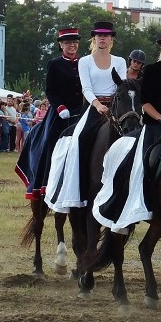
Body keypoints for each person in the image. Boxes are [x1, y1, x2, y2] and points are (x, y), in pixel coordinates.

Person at [92, 28, 161, 233]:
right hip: (156, 124)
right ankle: (127, 206)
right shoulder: (153, 71)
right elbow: (145, 103)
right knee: (139, 164)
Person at [45, 21, 126, 212]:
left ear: (111, 39)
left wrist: (113, 105)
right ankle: (79, 187)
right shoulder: (85, 61)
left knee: (132, 137)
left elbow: (122, 86)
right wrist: (97, 105)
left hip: (115, 106)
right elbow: (86, 88)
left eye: (106, 36)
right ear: (94, 39)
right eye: (99, 36)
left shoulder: (120, 61)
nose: (102, 38)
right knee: (79, 139)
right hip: (93, 107)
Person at [15, 27, 84, 200]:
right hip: (60, 112)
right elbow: (50, 91)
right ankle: (44, 182)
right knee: (50, 141)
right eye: (68, 43)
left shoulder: (84, 62)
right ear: (61, 45)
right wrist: (60, 108)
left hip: (82, 110)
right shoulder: (55, 64)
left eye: (75, 42)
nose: (72, 46)